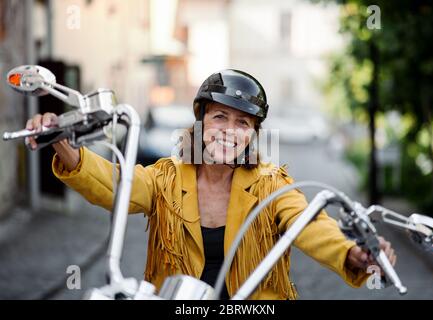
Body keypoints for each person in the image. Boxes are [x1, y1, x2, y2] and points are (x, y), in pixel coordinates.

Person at [25, 69, 396, 300]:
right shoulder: (164, 177)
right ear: (201, 120)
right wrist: (62, 144)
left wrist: (352, 253)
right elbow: (113, 185)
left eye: (243, 123)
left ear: (253, 134)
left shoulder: (272, 185)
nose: (230, 132)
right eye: (220, 117)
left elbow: (310, 224)